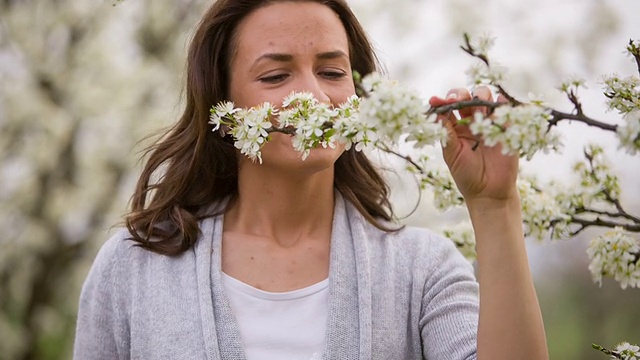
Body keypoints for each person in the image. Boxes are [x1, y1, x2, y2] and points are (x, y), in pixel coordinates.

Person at [73, 0, 549, 359]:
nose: (312, 95)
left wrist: (495, 207)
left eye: (332, 71)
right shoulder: (134, 268)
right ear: (224, 100)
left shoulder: (421, 272)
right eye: (276, 76)